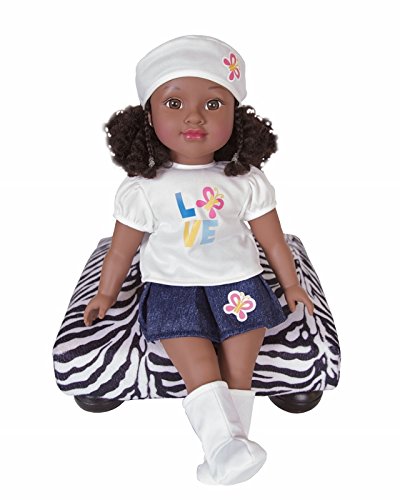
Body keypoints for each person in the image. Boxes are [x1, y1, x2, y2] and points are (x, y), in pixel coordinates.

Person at [83, 35, 314, 485]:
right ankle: (229, 449)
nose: (194, 116)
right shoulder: (144, 188)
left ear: (236, 116)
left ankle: (227, 451)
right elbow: (122, 248)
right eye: (174, 103)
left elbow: (272, 240)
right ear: (148, 117)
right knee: (199, 368)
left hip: (240, 282)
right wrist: (106, 293)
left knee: (239, 366)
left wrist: (290, 285)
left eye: (213, 104)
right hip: (173, 287)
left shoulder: (245, 180)